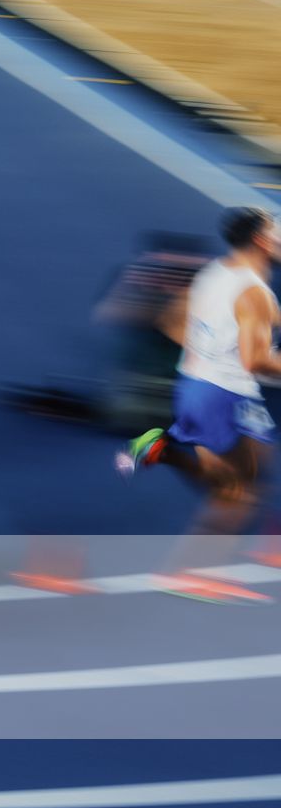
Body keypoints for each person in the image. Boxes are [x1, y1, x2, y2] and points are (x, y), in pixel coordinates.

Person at [120, 207, 281, 600]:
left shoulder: (215, 272)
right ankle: (186, 573)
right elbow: (256, 360)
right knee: (238, 491)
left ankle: (161, 451)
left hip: (197, 384)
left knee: (241, 480)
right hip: (225, 394)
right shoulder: (255, 292)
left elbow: (172, 319)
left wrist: (207, 354)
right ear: (261, 240)